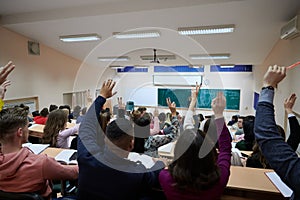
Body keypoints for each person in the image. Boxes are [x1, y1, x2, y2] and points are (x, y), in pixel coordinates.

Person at [77, 79, 167, 200]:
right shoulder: (136, 173)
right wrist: (161, 163)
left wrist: (102, 97)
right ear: (131, 144)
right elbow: (155, 175)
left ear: (105, 138)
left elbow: (86, 126)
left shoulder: (87, 157)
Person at [159, 85, 232, 199]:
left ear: (179, 152)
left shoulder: (165, 178)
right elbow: (225, 149)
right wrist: (219, 114)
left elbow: (188, 128)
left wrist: (193, 101)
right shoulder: (219, 180)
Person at [254, 65, 300, 199]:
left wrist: (268, 85)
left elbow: (265, 134)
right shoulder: (289, 150)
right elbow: (296, 136)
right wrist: (290, 112)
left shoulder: (254, 159)